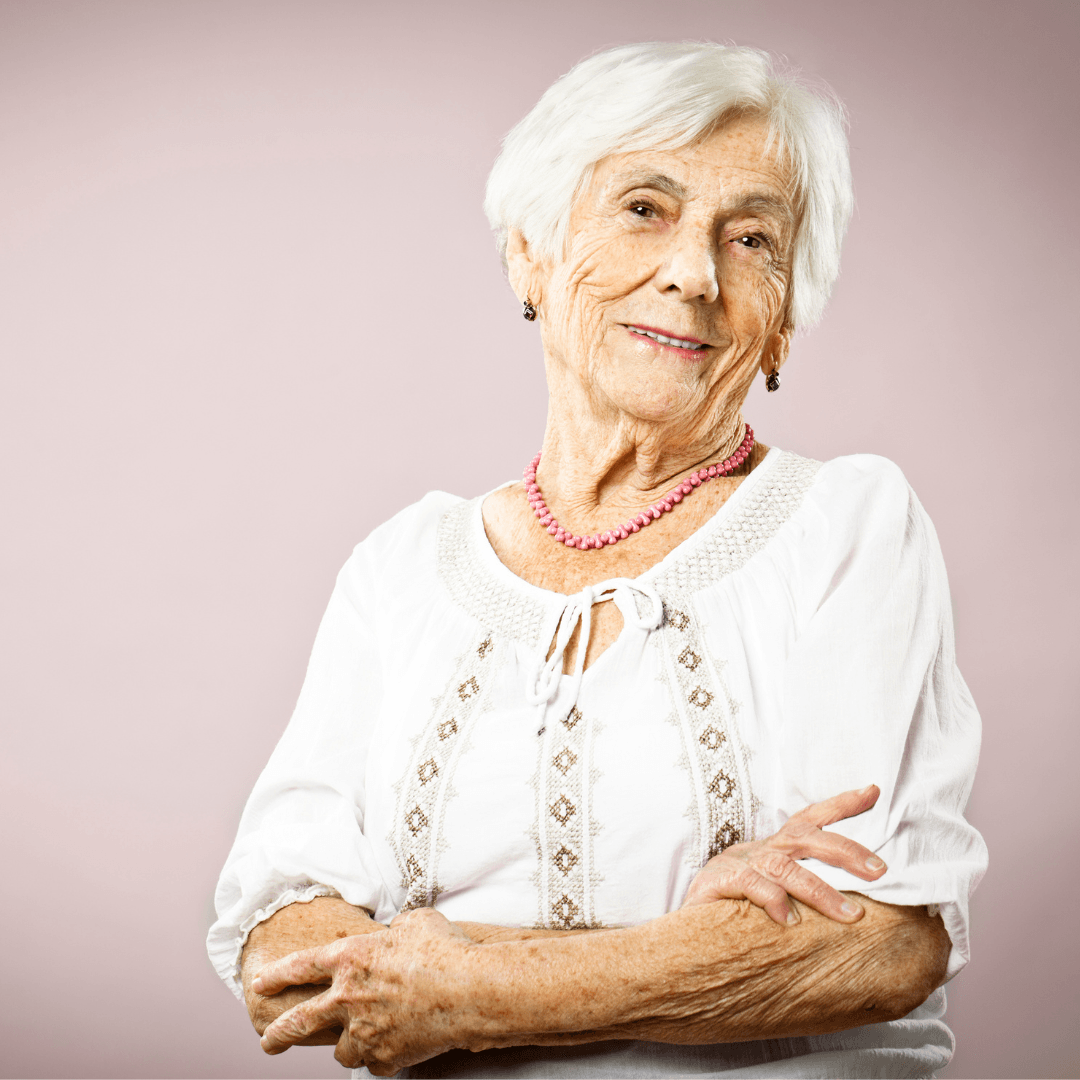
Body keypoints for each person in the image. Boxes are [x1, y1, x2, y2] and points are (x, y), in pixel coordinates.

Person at [207, 41, 987, 1079]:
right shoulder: (401, 569)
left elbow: (878, 941)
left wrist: (467, 979)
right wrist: (676, 944)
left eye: (752, 239)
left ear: (787, 319)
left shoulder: (847, 525)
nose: (694, 274)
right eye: (644, 209)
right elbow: (284, 946)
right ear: (529, 253)